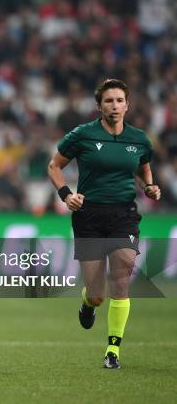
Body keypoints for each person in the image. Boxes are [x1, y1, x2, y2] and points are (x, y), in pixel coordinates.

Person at [47, 79, 161, 369]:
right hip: (89, 215)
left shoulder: (139, 140)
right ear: (99, 106)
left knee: (121, 278)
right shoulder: (82, 135)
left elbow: (143, 167)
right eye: (109, 101)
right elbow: (54, 166)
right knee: (98, 294)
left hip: (124, 214)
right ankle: (88, 304)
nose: (115, 106)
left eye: (119, 100)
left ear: (127, 104)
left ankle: (113, 350)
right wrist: (66, 195)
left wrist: (149, 186)